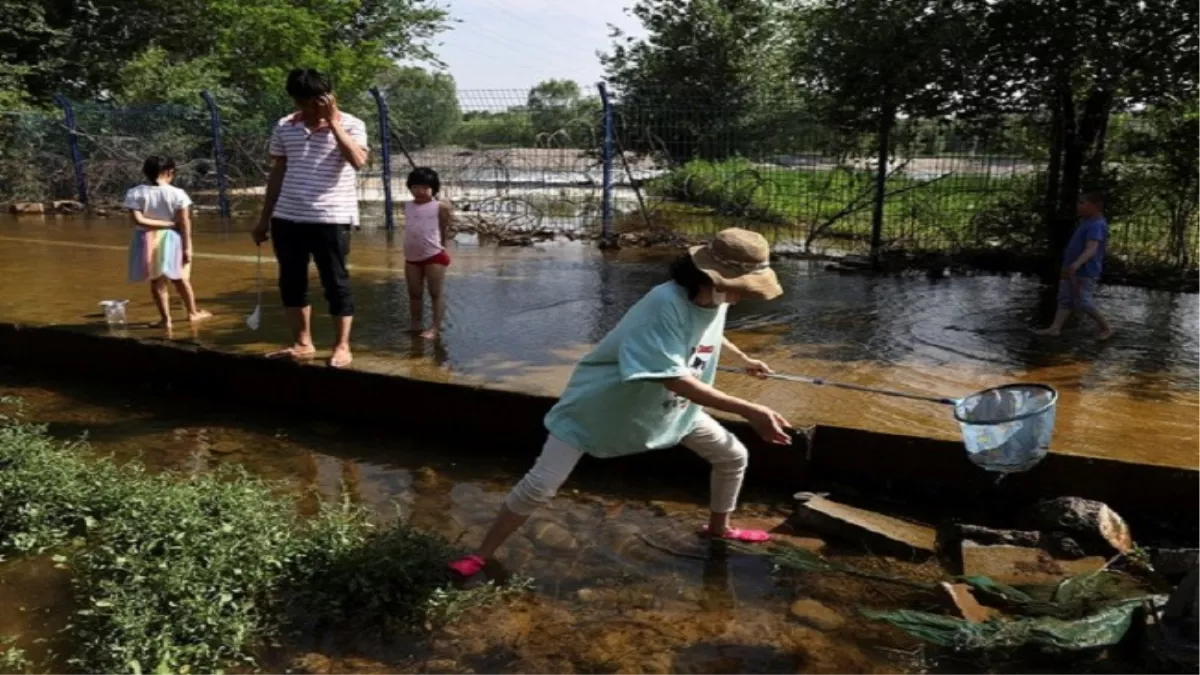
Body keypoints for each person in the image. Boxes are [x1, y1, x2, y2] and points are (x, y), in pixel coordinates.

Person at [449, 228, 793, 578]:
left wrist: (743, 357)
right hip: (602, 404)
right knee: (541, 485)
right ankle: (480, 553)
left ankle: (719, 529)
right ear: (709, 276)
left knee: (733, 455)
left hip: (666, 406)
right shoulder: (663, 303)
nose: (740, 298)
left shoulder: (714, 299)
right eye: (741, 288)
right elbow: (672, 377)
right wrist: (748, 409)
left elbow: (707, 330)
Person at [252, 68, 369, 368]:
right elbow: (277, 173)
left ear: (327, 97)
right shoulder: (285, 126)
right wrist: (264, 218)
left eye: (312, 102)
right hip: (287, 217)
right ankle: (303, 342)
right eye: (301, 103)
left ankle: (342, 345)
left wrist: (332, 122)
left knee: (336, 282)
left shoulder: (352, 124)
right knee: (291, 282)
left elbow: (357, 161)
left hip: (331, 218)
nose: (306, 110)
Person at [124, 155, 211, 330]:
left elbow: (138, 220)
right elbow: (184, 222)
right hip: (171, 238)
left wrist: (165, 224)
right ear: (169, 172)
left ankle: (166, 320)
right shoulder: (178, 194)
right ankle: (192, 313)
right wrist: (187, 246)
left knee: (157, 281)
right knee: (180, 278)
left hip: (145, 240)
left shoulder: (135, 192)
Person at [1034, 192, 1114, 340]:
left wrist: (1075, 265)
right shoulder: (1086, 222)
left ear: (1094, 206)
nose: (1078, 206)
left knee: (1083, 301)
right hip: (1071, 268)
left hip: (1083, 270)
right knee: (1065, 299)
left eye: (1082, 203)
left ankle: (1106, 328)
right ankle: (1055, 328)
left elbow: (1092, 249)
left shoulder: (1096, 225)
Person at [403, 167, 453, 339]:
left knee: (435, 293)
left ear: (433, 189)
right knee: (414, 293)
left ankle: (435, 328)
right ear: (409, 187)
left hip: (434, 254)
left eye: (425, 187)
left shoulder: (440, 206)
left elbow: (443, 229)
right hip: (411, 256)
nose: (420, 191)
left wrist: (443, 247)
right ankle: (416, 324)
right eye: (415, 187)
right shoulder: (407, 206)